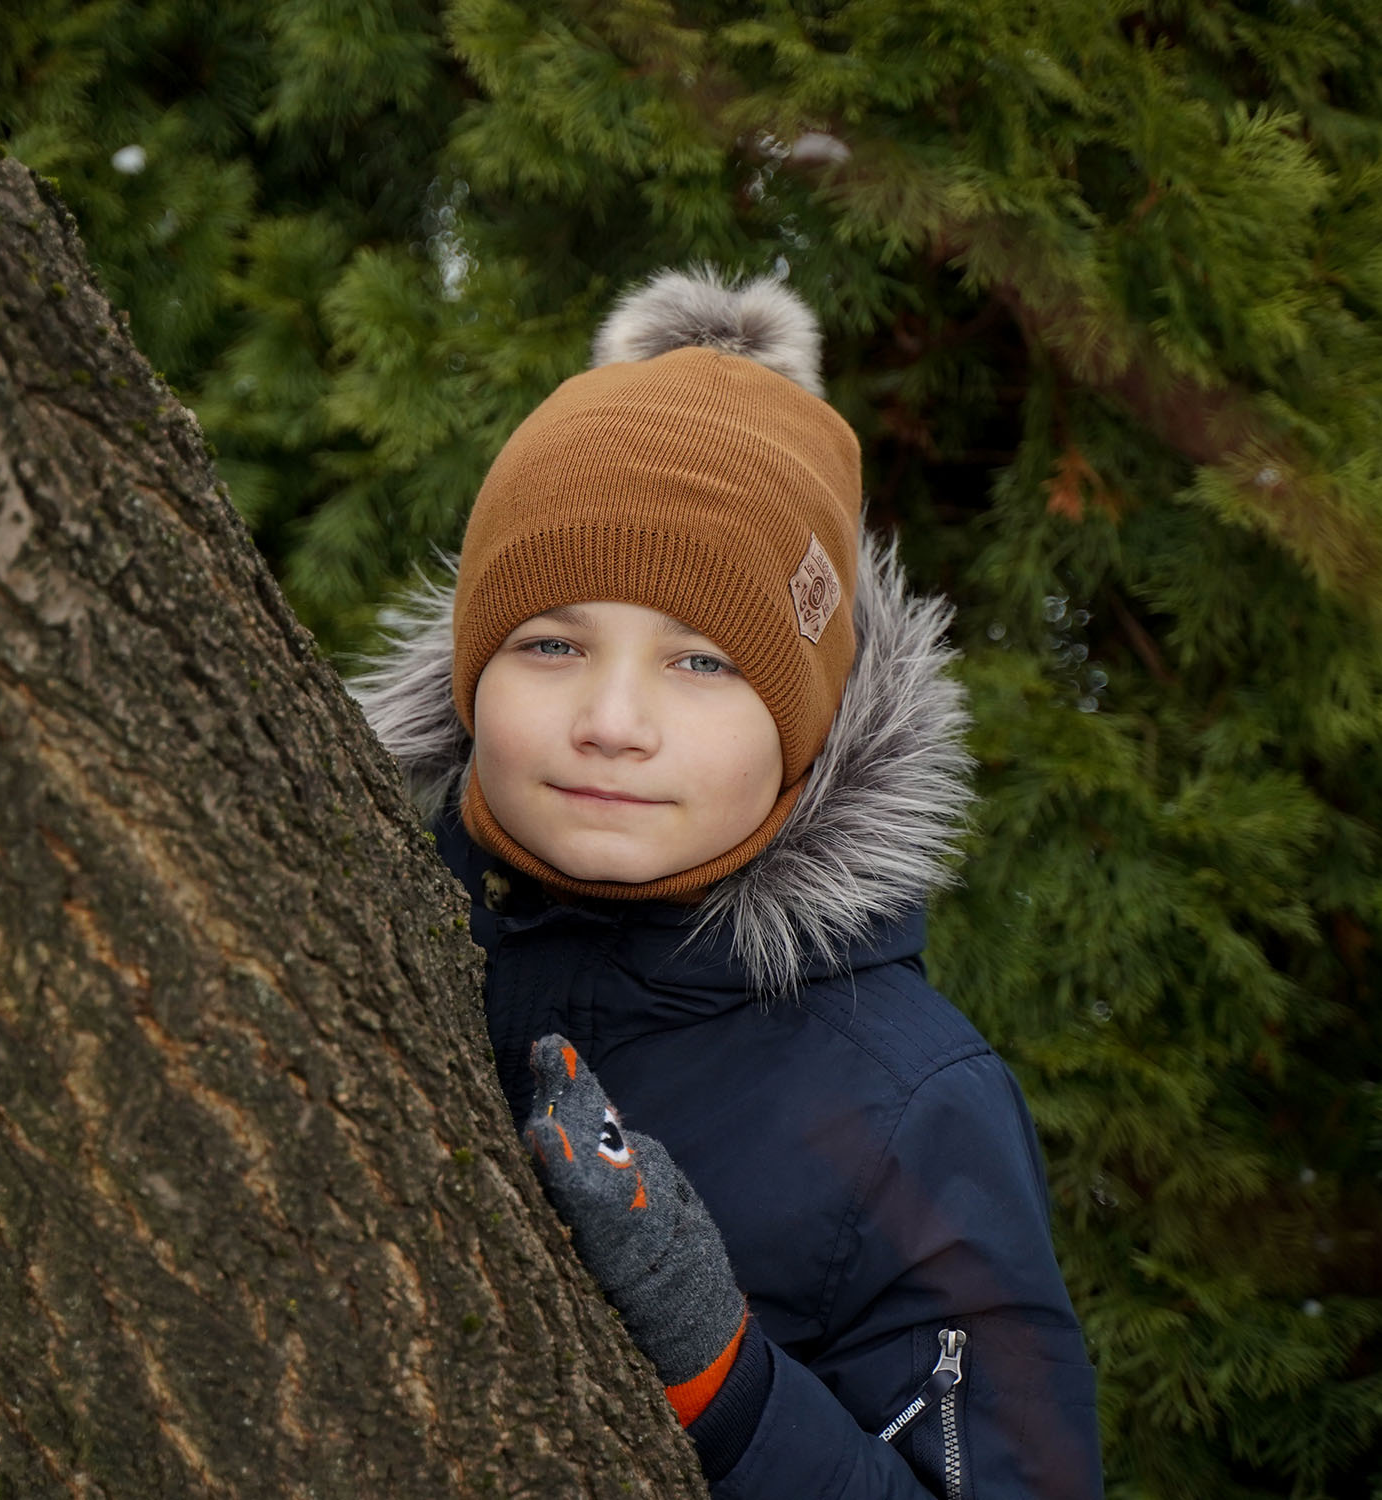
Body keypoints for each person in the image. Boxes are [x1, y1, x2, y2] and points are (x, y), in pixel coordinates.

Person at [355, 268, 1104, 1499]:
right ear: (468, 670)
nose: (611, 721)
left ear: (805, 719)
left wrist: (723, 1379)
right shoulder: (364, 925)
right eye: (550, 643)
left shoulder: (911, 1106)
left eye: (703, 661)